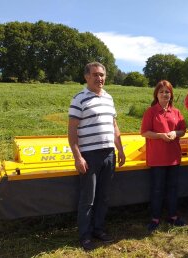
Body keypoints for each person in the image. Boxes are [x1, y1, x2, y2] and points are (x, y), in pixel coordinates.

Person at [68, 62, 126, 251]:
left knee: (104, 196)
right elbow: (72, 131)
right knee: (88, 198)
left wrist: (121, 149)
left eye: (102, 75)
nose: (99, 78)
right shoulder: (79, 99)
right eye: (95, 75)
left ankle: (99, 229)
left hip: (109, 153)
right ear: (86, 77)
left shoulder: (109, 98)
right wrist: (78, 157)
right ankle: (85, 236)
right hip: (89, 156)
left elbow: (114, 126)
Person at [141, 80, 187, 232]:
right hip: (157, 157)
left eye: (167, 92)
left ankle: (173, 216)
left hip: (173, 157)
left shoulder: (176, 112)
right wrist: (160, 135)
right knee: (157, 189)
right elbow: (144, 132)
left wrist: (175, 133)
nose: (164, 94)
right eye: (161, 92)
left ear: (171, 94)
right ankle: (155, 218)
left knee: (173, 188)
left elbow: (182, 130)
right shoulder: (151, 111)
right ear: (157, 94)